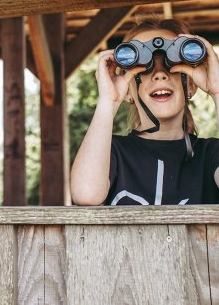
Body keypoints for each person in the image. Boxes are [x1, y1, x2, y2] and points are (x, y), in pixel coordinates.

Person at [70, 19, 219, 205]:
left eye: (170, 64)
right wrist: (109, 101)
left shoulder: (210, 154)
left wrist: (217, 91)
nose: (159, 74)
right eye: (144, 67)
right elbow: (86, 195)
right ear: (129, 92)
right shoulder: (112, 153)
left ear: (190, 85)